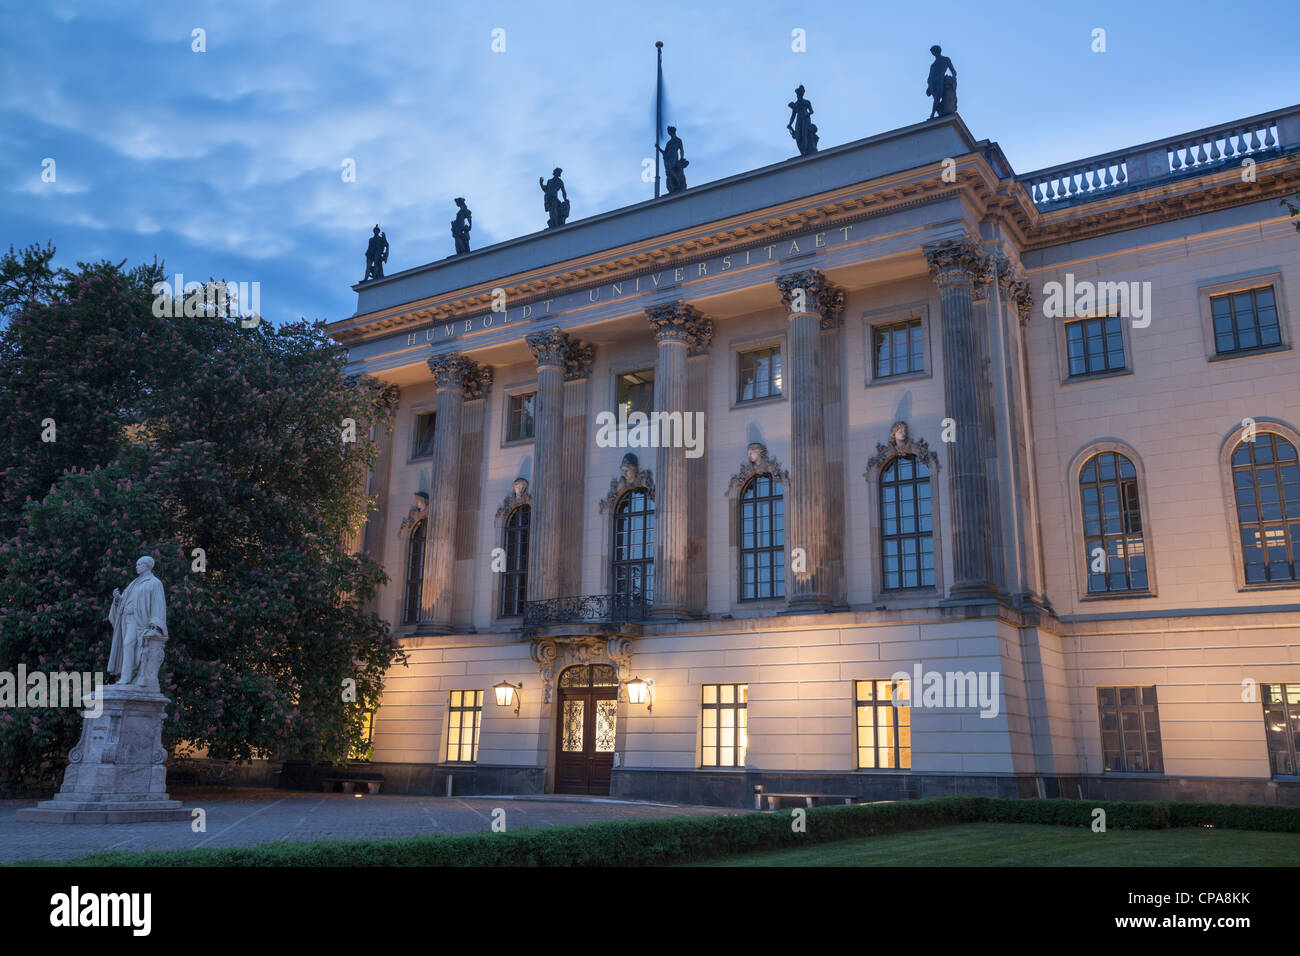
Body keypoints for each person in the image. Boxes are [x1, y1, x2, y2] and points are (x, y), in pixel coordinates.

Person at [108, 556, 168, 687]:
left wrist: (155, 625)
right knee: (127, 646)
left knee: (128, 644)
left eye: (139, 564)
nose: (136, 567)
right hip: (126, 619)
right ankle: (128, 677)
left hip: (139, 621)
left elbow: (158, 605)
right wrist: (118, 599)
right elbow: (126, 600)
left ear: (147, 566)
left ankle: (126, 677)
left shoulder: (154, 583)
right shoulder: (134, 583)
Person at [927, 45, 958, 119]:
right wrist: (929, 87)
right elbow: (930, 77)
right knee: (936, 99)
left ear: (938, 51)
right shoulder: (933, 65)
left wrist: (953, 80)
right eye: (932, 52)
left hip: (940, 81)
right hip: (932, 83)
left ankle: (932, 114)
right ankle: (939, 112)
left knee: (937, 98)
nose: (933, 53)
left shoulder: (946, 59)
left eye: (934, 51)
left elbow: (953, 71)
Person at [657, 126, 689, 193]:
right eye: (668, 132)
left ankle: (678, 182)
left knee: (671, 169)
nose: (669, 133)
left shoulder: (678, 140)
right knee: (669, 171)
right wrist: (658, 148)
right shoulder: (669, 142)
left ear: (673, 131)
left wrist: (682, 158)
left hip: (674, 156)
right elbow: (665, 152)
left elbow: (681, 149)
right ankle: (674, 185)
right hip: (668, 158)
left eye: (670, 131)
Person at [787, 85, 817, 156]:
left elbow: (811, 111)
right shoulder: (796, 104)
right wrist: (790, 124)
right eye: (798, 93)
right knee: (797, 135)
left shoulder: (806, 102)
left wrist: (808, 114)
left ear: (802, 93)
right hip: (799, 119)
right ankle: (802, 151)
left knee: (804, 134)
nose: (798, 95)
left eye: (800, 93)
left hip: (805, 119)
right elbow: (793, 115)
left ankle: (804, 151)